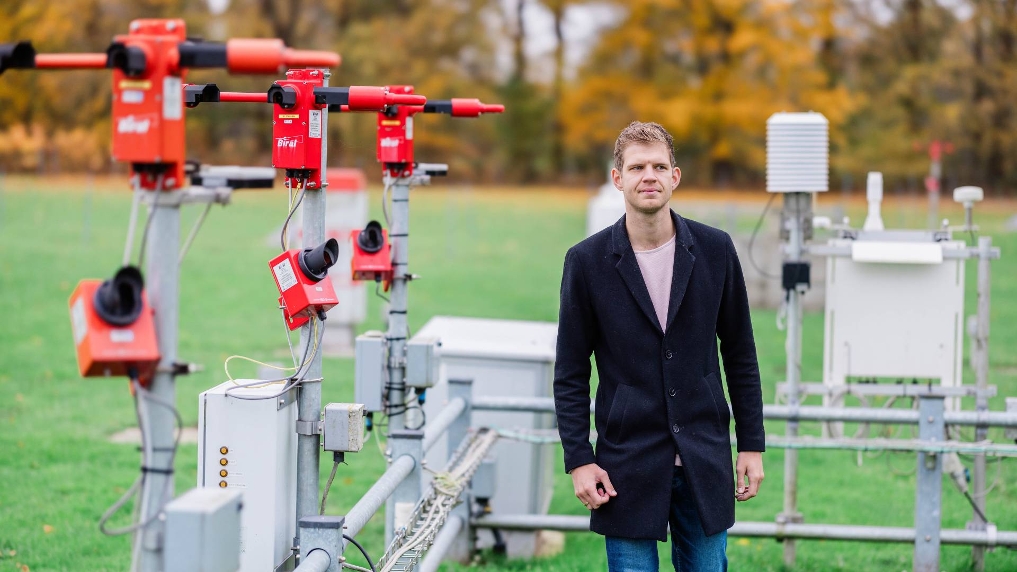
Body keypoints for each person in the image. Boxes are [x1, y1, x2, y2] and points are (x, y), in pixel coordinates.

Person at [553, 121, 765, 571]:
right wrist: (579, 460)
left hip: (704, 455)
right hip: (625, 460)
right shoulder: (586, 262)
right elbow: (570, 371)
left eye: (658, 166)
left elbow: (741, 354)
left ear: (675, 176)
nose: (648, 175)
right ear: (618, 179)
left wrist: (751, 445)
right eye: (636, 167)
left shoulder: (715, 250)